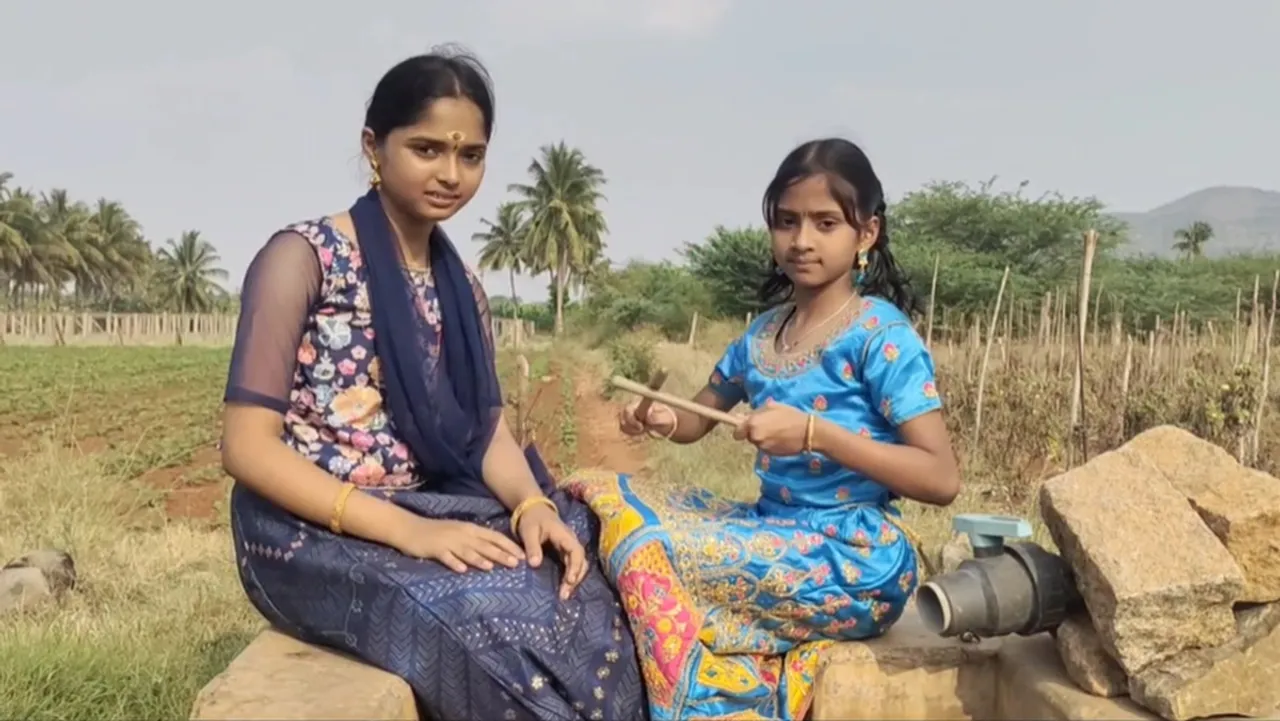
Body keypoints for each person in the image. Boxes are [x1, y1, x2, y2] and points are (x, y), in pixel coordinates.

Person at [219, 49, 646, 721]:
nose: (451, 174)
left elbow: (484, 431)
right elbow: (246, 447)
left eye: (470, 155)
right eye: (426, 149)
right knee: (478, 621)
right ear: (373, 147)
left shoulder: (462, 287)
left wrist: (531, 502)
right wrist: (403, 532)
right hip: (304, 532)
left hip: (423, 508)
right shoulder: (302, 260)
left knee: (581, 574)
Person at [567, 138, 961, 721]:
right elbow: (699, 416)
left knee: (646, 548)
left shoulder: (881, 335)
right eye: (787, 222)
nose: (801, 240)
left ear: (867, 235)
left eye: (826, 223)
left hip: (851, 557)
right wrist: (661, 416)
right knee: (596, 493)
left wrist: (814, 434)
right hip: (769, 528)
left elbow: (941, 477)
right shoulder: (763, 334)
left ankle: (712, 699)